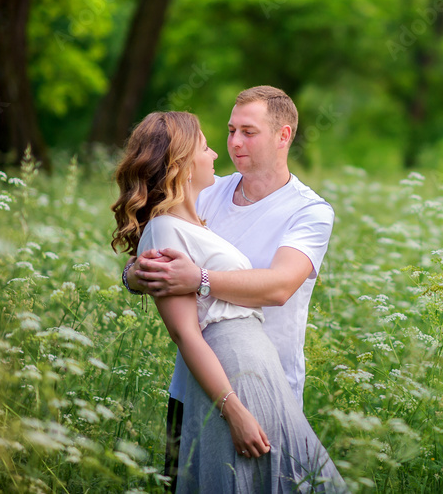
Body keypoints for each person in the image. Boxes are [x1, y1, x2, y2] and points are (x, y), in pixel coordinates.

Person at [112, 110, 344, 492]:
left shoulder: (309, 210)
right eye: (229, 131)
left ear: (283, 135)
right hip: (208, 381)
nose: (230, 145)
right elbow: (177, 310)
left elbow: (279, 287)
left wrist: (199, 279)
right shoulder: (206, 192)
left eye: (248, 132)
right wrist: (133, 275)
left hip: (273, 374)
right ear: (182, 165)